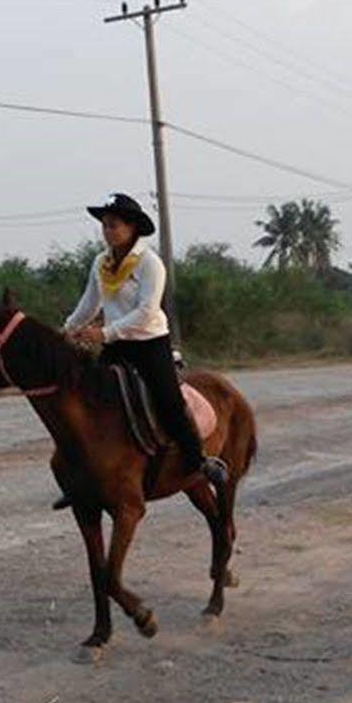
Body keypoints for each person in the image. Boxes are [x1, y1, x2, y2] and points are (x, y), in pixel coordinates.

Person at [64, 192, 230, 488]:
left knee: (168, 401)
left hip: (149, 343)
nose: (107, 230)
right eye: (105, 224)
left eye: (114, 224)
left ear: (132, 228)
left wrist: (103, 333)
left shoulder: (150, 264)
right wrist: (67, 329)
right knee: (92, 399)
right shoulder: (100, 262)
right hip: (116, 345)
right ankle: (91, 474)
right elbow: (90, 303)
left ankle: (197, 461)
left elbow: (146, 311)